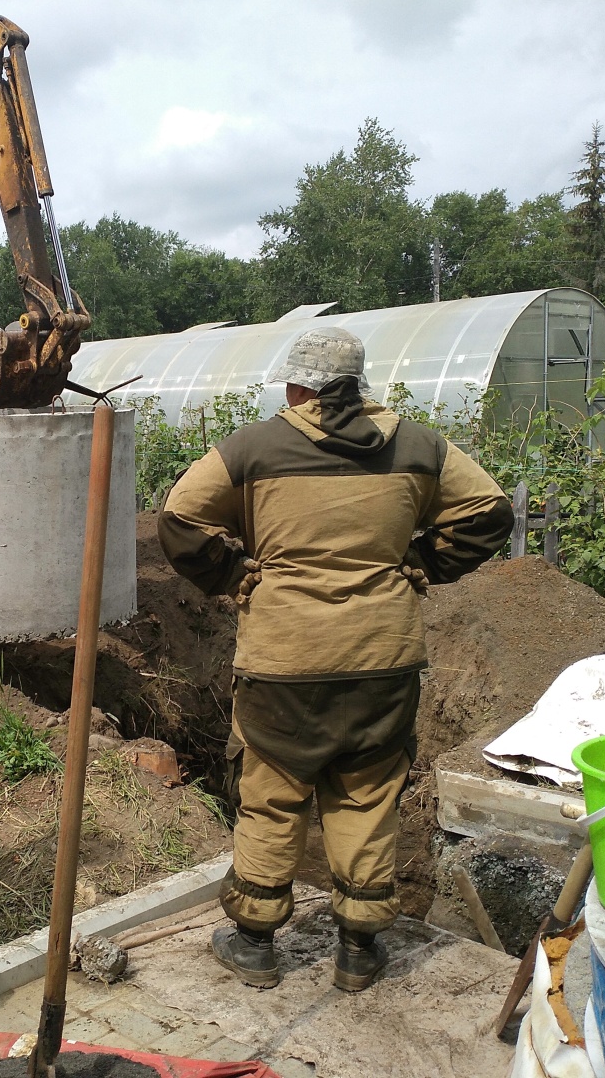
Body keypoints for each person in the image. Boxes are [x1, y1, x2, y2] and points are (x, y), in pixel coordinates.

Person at [158, 326, 513, 992]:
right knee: (367, 796)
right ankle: (357, 951)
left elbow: (179, 515)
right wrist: (422, 560)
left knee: (272, 796)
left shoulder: (255, 446)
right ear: (359, 383)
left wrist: (234, 573)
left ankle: (256, 943)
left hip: (282, 658)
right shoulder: (417, 443)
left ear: (297, 385)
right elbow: (491, 511)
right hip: (383, 657)